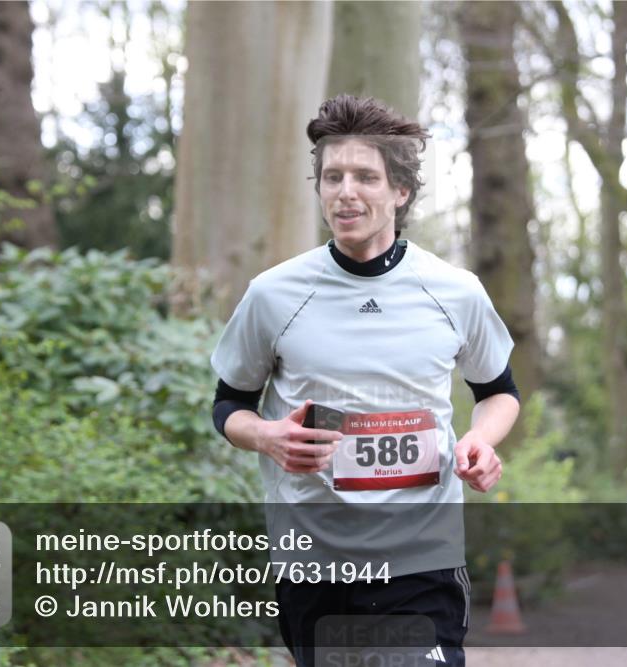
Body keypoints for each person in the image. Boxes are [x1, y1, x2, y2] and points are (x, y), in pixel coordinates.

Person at [210, 95, 520, 666]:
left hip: (421, 556)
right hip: (313, 559)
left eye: (365, 177)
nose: (345, 192)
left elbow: (498, 392)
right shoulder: (274, 294)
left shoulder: (454, 291)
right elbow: (229, 404)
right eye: (332, 177)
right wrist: (267, 437)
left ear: (400, 191)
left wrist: (481, 440)